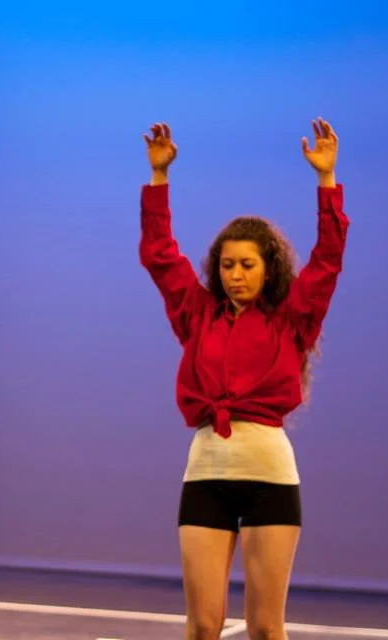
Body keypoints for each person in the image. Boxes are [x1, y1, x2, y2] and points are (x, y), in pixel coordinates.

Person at [138, 118, 348, 640]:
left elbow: (327, 261)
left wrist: (326, 183)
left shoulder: (291, 318)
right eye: (228, 264)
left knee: (263, 627)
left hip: (268, 477)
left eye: (248, 265)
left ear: (268, 269)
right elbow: (161, 257)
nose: (236, 274)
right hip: (205, 474)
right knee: (203, 625)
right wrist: (159, 179)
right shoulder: (197, 314)